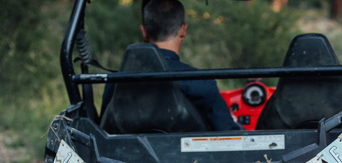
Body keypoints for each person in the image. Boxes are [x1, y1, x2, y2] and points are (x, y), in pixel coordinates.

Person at [101, 0, 241, 131]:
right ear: (183, 30)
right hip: (189, 158)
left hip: (122, 157)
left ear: (144, 32)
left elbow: (102, 130)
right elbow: (230, 136)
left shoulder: (115, 83)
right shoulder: (201, 83)